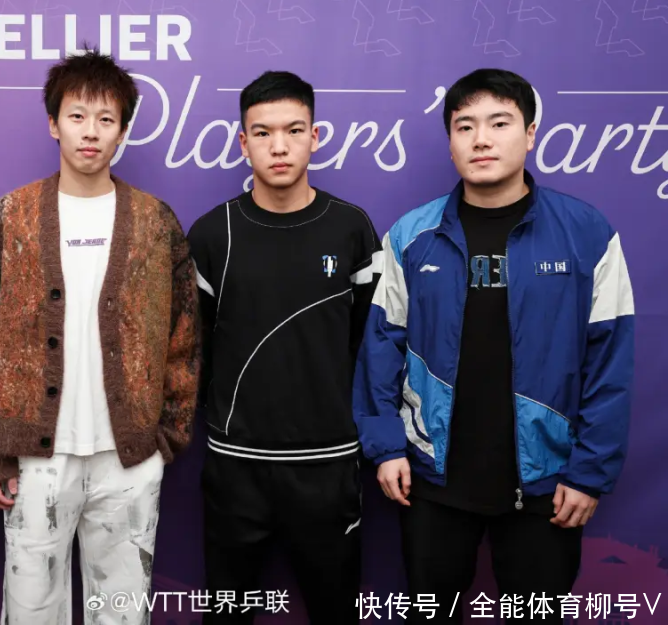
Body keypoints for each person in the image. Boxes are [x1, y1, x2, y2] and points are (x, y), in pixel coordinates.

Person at [353, 68, 634, 623]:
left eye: (499, 123)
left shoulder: (588, 234)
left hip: (547, 484)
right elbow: (380, 348)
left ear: (530, 134)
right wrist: (386, 447)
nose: (481, 139)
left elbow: (610, 363)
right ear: (451, 142)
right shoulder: (411, 235)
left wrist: (588, 473)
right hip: (431, 479)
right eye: (465, 126)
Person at [0, 47, 200, 625]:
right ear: (53, 123)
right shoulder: (13, 216)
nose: (90, 132)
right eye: (77, 116)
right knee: (31, 609)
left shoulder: (154, 220)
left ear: (122, 131)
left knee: (122, 610)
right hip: (35, 456)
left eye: (106, 119)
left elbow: (184, 338)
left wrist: (166, 435)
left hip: (129, 455)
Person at [187, 71, 382, 624]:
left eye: (294, 130)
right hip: (236, 465)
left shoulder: (351, 228)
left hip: (328, 464)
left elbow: (370, 344)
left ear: (315, 137)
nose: (279, 146)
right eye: (263, 132)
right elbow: (194, 349)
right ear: (242, 142)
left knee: (336, 611)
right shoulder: (212, 234)